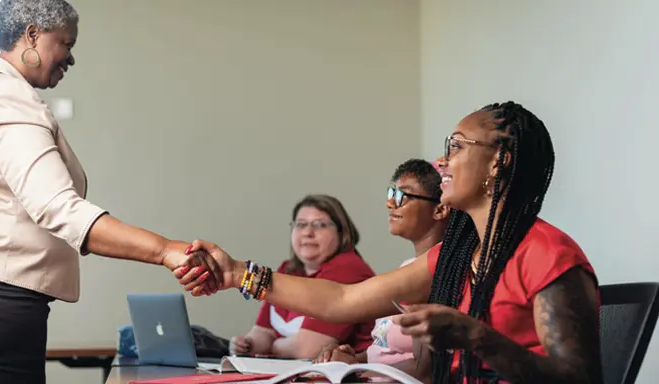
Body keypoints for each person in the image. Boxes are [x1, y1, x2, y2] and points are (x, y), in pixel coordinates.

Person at [179, 101, 603, 383]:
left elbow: (580, 380)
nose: (442, 161)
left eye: (455, 147)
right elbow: (344, 301)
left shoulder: (547, 254)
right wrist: (238, 273)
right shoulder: (457, 255)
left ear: (500, 160)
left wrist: (476, 337)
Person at [0, 1, 218, 383]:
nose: (70, 58)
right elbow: (60, 208)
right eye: (66, 43)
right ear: (32, 35)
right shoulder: (7, 98)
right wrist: (167, 250)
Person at [315, 159, 449, 366]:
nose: (390, 203)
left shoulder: (439, 273)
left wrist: (357, 370)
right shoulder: (408, 266)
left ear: (439, 210)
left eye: (403, 196)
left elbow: (426, 372)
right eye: (391, 194)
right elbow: (387, 354)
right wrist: (350, 359)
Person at [229, 195, 376, 359]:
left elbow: (308, 350)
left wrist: (271, 346)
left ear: (342, 233)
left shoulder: (349, 268)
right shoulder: (287, 270)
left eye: (320, 225)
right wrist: (247, 344)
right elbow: (264, 330)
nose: (307, 232)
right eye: (301, 225)